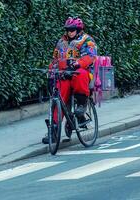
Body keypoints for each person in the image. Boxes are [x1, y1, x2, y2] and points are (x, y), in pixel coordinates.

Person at [42, 16, 97, 144]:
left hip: (80, 72)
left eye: (72, 29)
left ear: (78, 30)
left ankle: (81, 105)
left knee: (80, 75)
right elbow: (55, 59)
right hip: (64, 75)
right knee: (59, 94)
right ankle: (54, 130)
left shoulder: (87, 40)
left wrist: (78, 63)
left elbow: (91, 56)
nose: (69, 32)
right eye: (68, 29)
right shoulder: (61, 42)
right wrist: (51, 73)